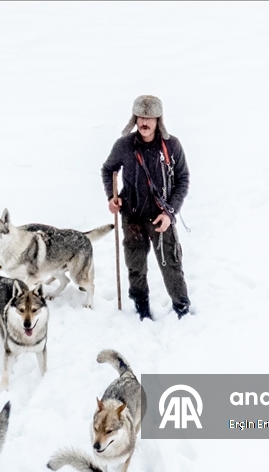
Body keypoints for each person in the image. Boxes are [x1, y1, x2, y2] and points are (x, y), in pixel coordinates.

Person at [101, 95, 191, 320]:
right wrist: (113, 197)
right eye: (141, 116)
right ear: (134, 118)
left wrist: (170, 213)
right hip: (132, 216)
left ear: (158, 119)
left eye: (150, 117)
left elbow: (182, 179)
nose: (145, 122)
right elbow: (108, 170)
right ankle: (141, 307)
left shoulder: (172, 146)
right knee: (135, 264)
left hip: (161, 216)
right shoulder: (124, 146)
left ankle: (182, 308)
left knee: (171, 263)